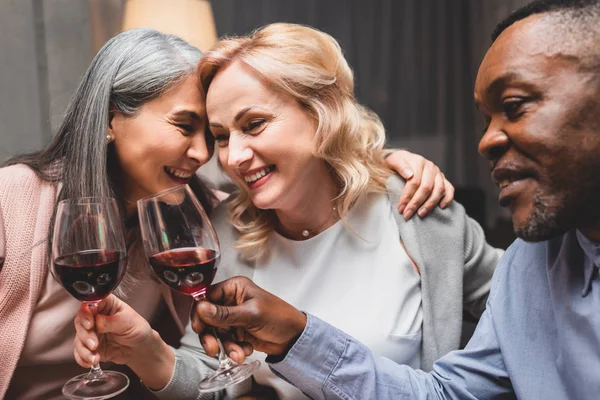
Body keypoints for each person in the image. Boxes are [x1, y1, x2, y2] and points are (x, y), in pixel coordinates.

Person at [0, 28, 451, 400]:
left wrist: (380, 163)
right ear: (109, 120)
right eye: (187, 127)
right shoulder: (12, 200)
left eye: (211, 133)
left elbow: (311, 170)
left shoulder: (202, 218)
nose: (206, 155)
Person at [186, 1, 600, 399]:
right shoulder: (532, 267)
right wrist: (294, 337)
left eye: (514, 106)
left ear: (321, 115)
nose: (232, 156)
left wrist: (378, 168)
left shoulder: (418, 209)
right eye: (221, 137)